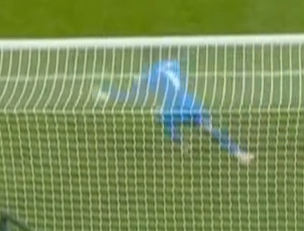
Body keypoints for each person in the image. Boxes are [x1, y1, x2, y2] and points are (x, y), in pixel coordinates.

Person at [95, 60, 255, 166]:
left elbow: (130, 96)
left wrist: (108, 94)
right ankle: (238, 152)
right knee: (209, 129)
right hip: (190, 104)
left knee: (161, 118)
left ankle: (182, 143)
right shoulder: (173, 65)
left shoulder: (149, 77)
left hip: (174, 110)